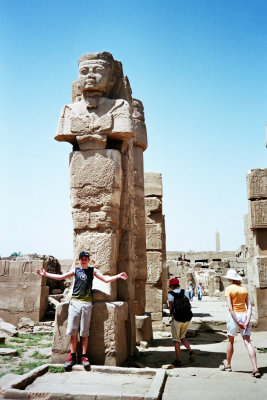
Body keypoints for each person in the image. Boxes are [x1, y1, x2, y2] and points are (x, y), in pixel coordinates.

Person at [37, 251, 128, 371]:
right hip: (75, 303)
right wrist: (45, 274)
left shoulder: (92, 270)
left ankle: (84, 357)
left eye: (86, 258)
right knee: (73, 332)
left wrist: (118, 276)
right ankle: (72, 356)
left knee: (84, 332)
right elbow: (60, 277)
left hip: (87, 304)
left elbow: (105, 280)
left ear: (88, 260)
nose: (84, 260)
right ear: (79, 260)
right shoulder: (76, 270)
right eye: (82, 258)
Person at [219, 269, 260, 378]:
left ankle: (228, 365)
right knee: (247, 342)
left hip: (234, 317)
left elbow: (230, 307)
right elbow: (249, 306)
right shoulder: (243, 289)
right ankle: (255, 368)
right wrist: (246, 320)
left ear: (229, 279)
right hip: (244, 315)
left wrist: (237, 321)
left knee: (230, 341)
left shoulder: (228, 289)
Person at [168, 278, 195, 367]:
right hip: (186, 318)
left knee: (176, 340)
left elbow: (171, 307)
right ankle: (191, 351)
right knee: (182, 337)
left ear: (172, 285)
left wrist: (171, 315)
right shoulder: (185, 292)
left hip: (177, 319)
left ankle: (178, 360)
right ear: (178, 284)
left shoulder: (170, 294)